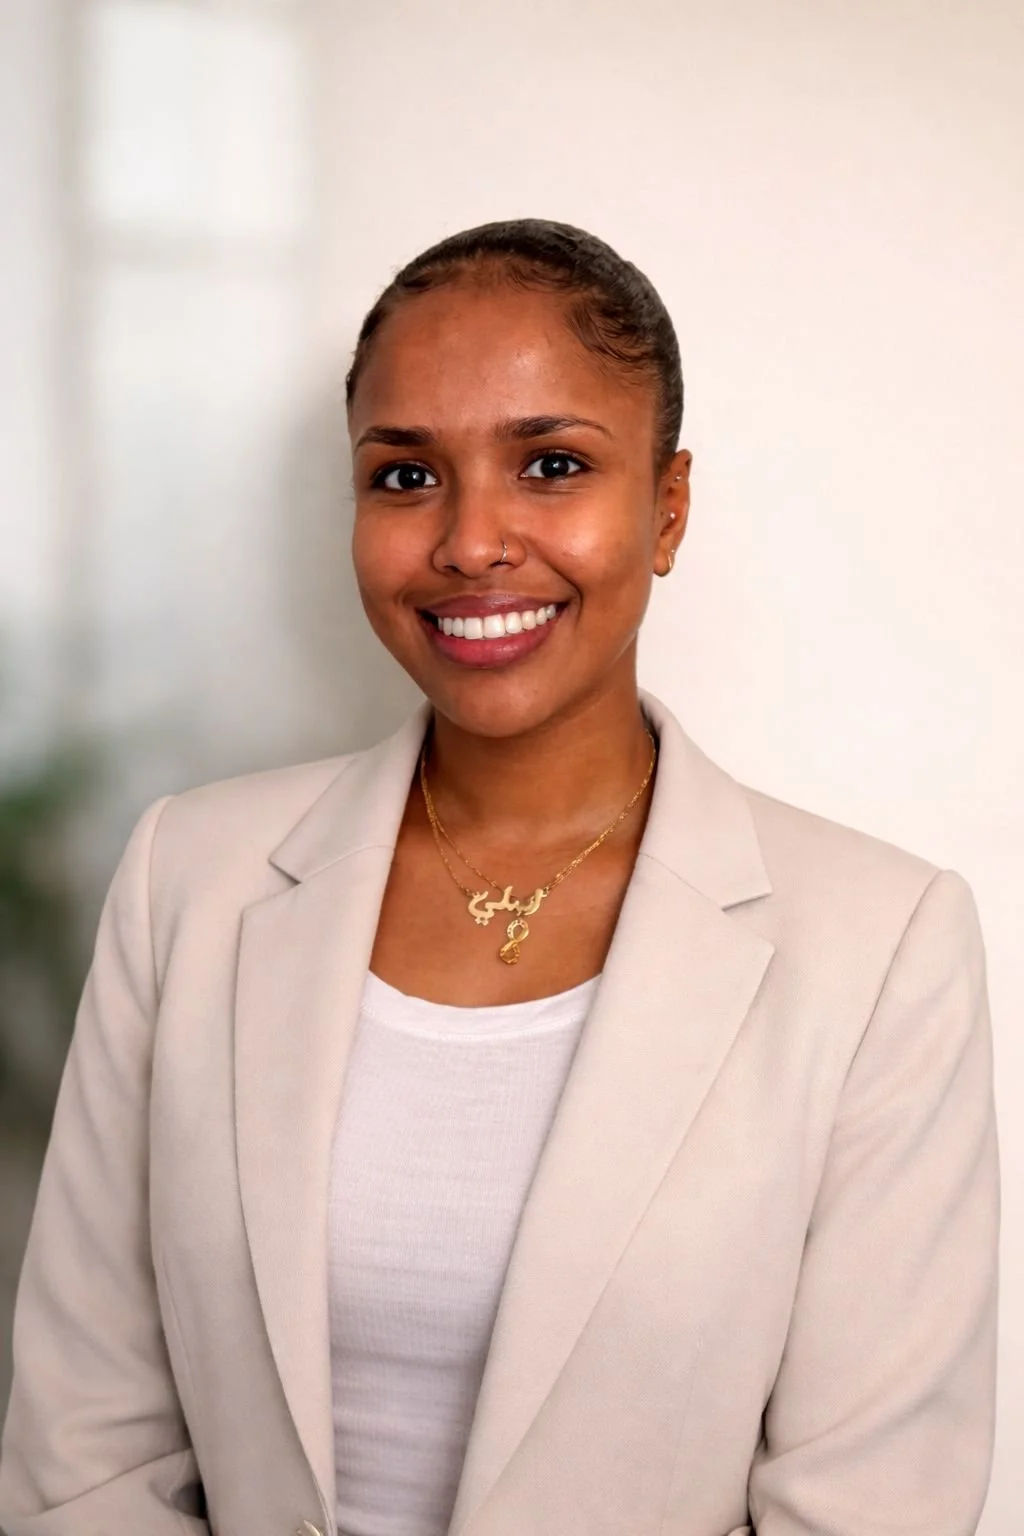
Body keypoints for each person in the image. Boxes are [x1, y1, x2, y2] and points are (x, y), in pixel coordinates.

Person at [0, 220, 999, 1536]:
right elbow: (85, 1444)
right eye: (406, 477)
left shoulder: (880, 947)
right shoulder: (189, 878)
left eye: (549, 464)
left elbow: (877, 1504)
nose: (472, 541)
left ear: (669, 507)